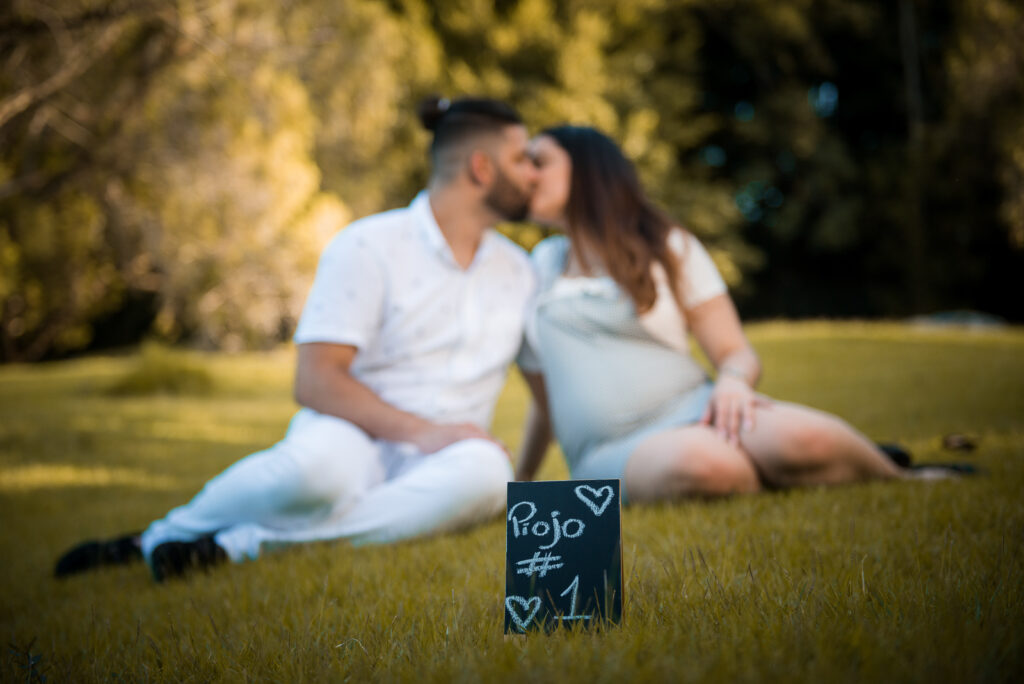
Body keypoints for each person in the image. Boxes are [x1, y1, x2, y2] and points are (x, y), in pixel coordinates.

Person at [55, 96, 539, 581]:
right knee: (318, 473)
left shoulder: (519, 271)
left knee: (489, 476)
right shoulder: (368, 246)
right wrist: (425, 432)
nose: (532, 174)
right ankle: (163, 535)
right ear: (481, 168)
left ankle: (244, 545)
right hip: (353, 434)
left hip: (452, 460)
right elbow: (315, 381)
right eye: (521, 160)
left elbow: (549, 389)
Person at [514, 125, 954, 500]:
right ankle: (765, 471)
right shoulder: (536, 270)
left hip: (698, 407)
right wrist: (522, 484)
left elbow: (734, 351)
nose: (525, 173)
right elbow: (546, 403)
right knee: (703, 463)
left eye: (539, 161)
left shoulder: (667, 247)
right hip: (609, 449)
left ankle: (900, 475)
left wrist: (733, 382)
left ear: (589, 170)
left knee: (807, 439)